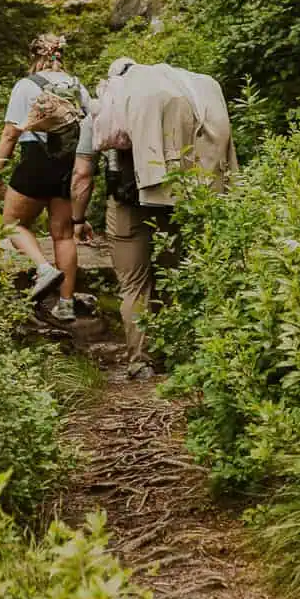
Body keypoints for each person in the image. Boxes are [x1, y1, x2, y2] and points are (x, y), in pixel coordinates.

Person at [96, 57, 235, 378]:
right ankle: (177, 354)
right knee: (174, 276)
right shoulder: (182, 91)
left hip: (126, 204)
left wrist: (77, 220)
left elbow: (83, 171)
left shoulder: (109, 104)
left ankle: (140, 361)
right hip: (173, 197)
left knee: (133, 284)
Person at [0, 34, 98, 322]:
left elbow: (10, 133)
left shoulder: (26, 86)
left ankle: (44, 268)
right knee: (63, 235)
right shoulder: (76, 86)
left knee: (11, 224)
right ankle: (65, 304)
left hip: (36, 160)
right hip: (68, 163)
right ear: (60, 54)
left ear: (34, 55)